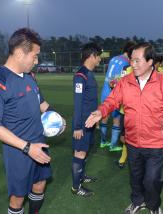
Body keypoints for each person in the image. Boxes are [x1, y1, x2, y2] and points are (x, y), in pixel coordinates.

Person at [85, 42, 163, 214]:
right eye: (132, 60)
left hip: (157, 144)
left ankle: (153, 205)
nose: (133, 64)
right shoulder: (125, 82)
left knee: (152, 179)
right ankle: (137, 202)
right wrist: (100, 111)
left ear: (150, 61)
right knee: (136, 178)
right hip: (133, 142)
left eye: (138, 61)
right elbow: (112, 101)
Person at [0, 28, 65, 214]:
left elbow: (41, 103)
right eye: (35, 56)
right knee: (18, 196)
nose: (36, 61)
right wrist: (28, 148)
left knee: (40, 184)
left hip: (40, 143)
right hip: (19, 151)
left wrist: (57, 118)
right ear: (20, 53)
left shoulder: (30, 77)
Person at [71, 42, 102, 197]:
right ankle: (76, 187)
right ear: (92, 55)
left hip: (88, 123)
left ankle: (81, 177)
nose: (99, 60)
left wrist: (95, 120)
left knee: (84, 151)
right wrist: (77, 127)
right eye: (98, 57)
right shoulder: (80, 76)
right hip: (81, 124)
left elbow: (91, 101)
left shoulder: (89, 74)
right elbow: (78, 103)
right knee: (79, 153)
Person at [99, 41, 136, 151]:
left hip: (105, 91)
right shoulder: (126, 64)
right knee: (117, 119)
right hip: (115, 93)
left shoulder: (113, 59)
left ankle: (102, 141)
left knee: (104, 118)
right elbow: (119, 80)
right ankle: (113, 145)